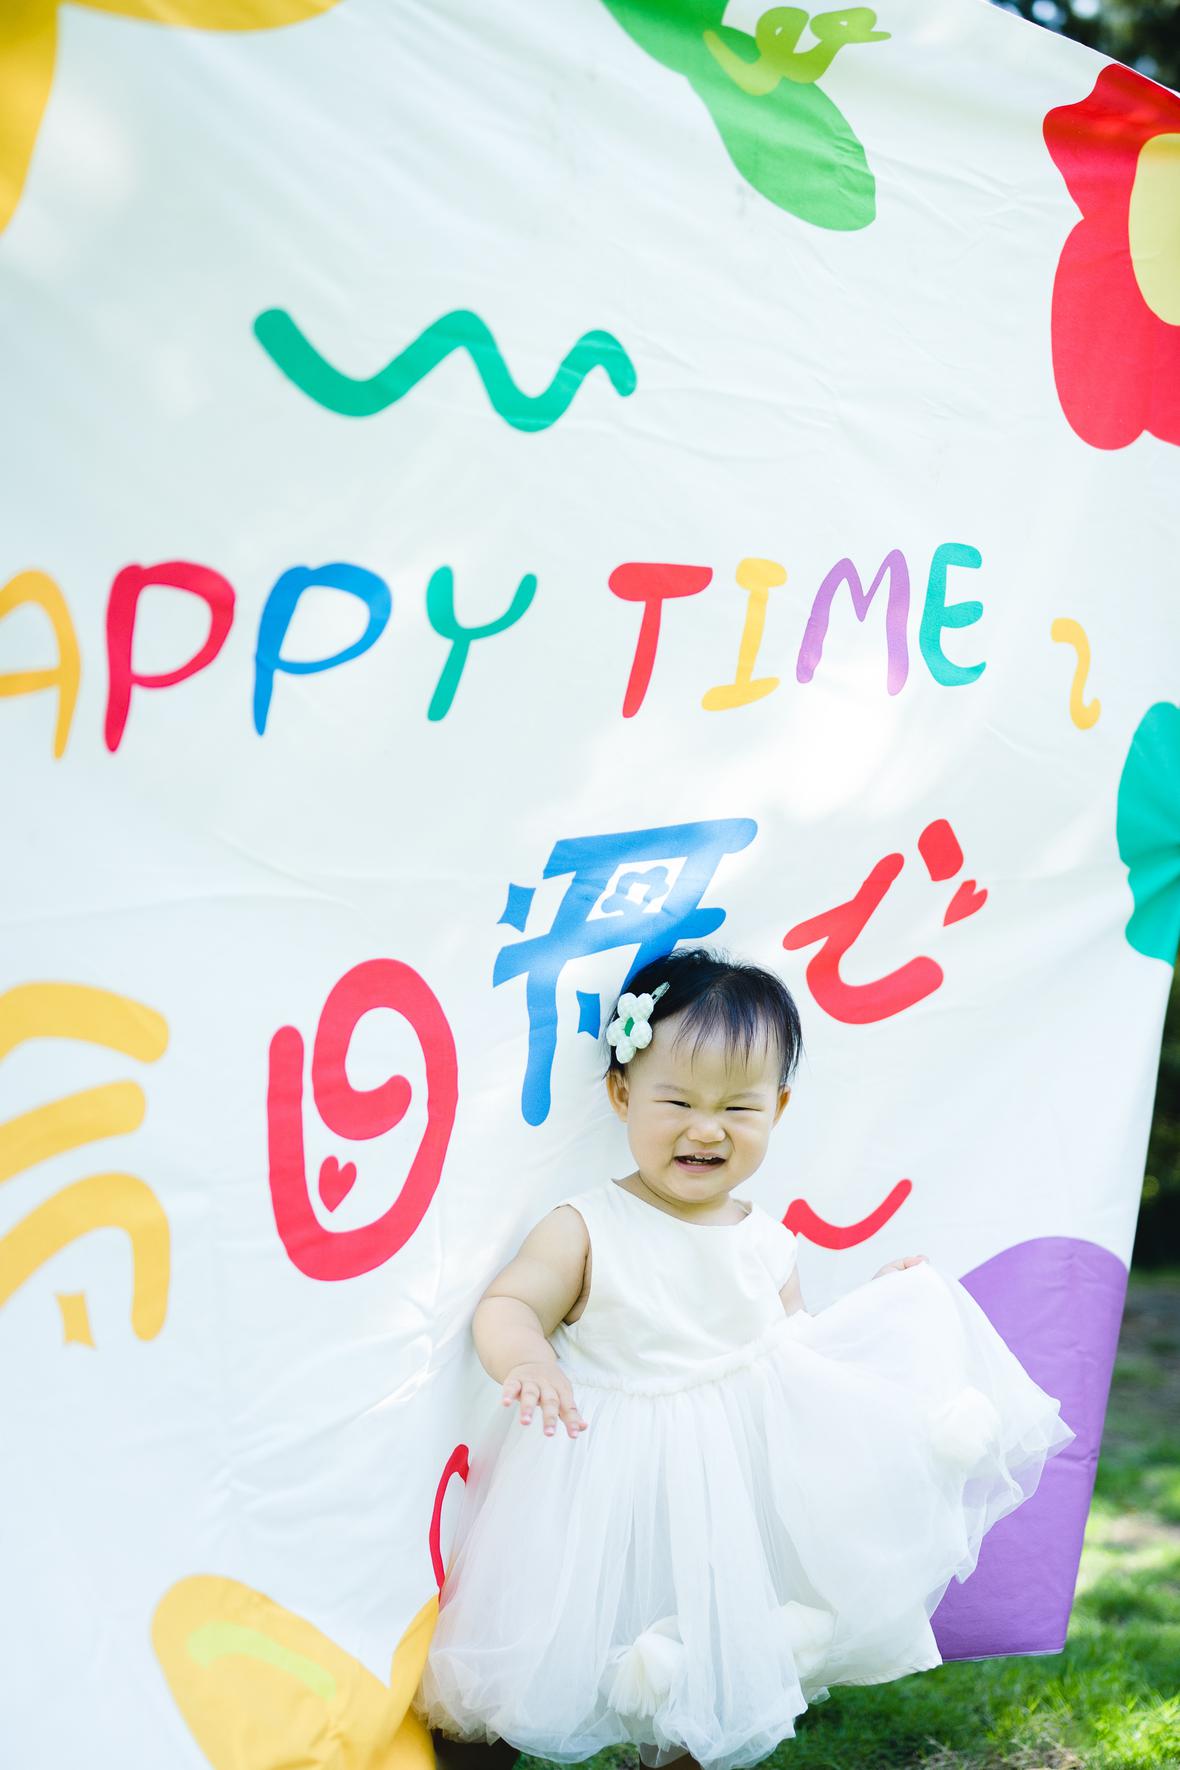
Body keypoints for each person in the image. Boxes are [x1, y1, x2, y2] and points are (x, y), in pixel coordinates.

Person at [412, 947, 1075, 1770]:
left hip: (723, 1502)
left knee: (704, 1671)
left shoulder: (765, 1242)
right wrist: (528, 1360)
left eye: (737, 1106)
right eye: (677, 1101)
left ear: (778, 1108)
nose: (706, 1128)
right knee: (534, 1656)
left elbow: (801, 1357)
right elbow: (512, 1303)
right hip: (594, 1488)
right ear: (622, 1094)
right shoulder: (586, 1225)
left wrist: (881, 1311)